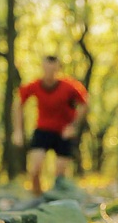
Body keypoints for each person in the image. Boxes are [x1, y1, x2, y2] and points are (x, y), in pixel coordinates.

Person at [11, 55, 88, 196]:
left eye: (53, 68)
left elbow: (84, 103)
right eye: (47, 68)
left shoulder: (70, 87)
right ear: (42, 67)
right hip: (43, 130)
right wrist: (17, 130)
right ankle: (37, 200)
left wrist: (73, 126)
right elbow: (18, 103)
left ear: (58, 68)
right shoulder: (35, 85)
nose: (50, 72)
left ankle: (57, 202)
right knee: (34, 170)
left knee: (59, 174)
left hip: (63, 133)